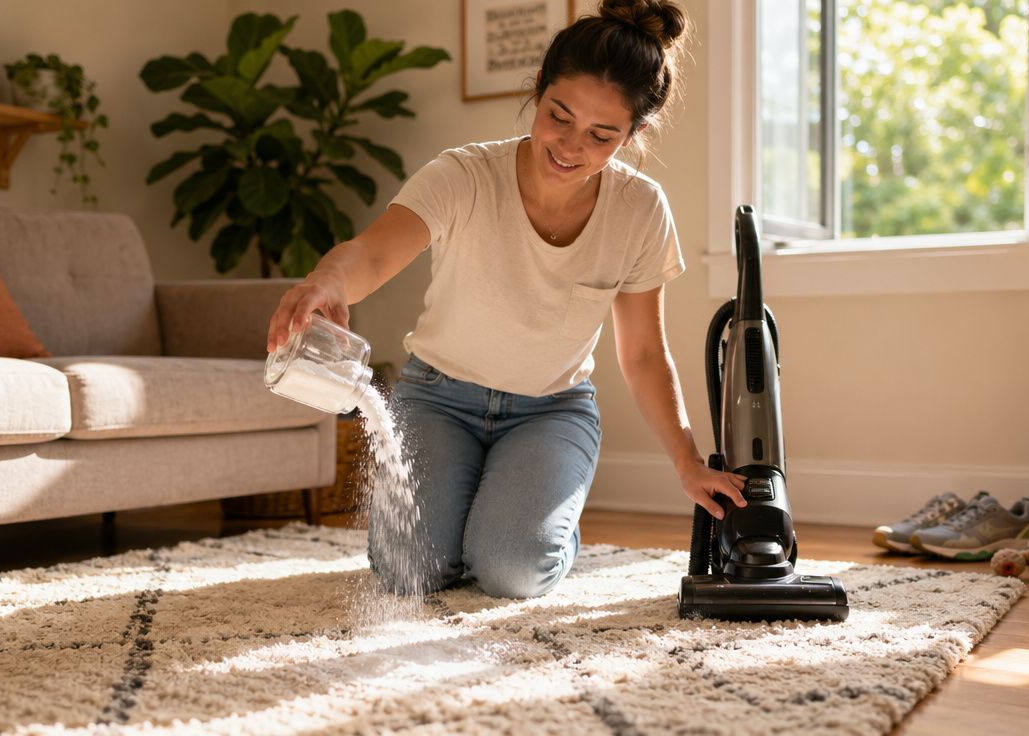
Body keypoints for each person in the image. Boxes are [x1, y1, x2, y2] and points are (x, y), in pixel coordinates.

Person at [266, 0, 747, 599]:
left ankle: (540, 527)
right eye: (559, 116)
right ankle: (481, 518)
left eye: (602, 135)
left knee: (511, 571)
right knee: (408, 571)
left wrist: (687, 462)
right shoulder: (462, 177)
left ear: (632, 135)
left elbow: (645, 353)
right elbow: (372, 252)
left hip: (551, 412)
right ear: (539, 90)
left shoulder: (641, 211)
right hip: (437, 400)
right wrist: (325, 282)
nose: (571, 146)